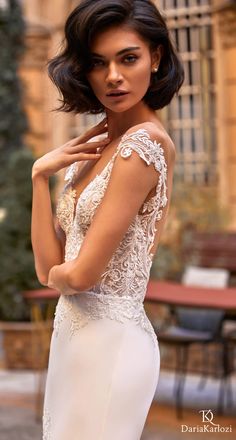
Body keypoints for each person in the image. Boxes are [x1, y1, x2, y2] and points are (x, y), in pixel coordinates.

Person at [31, 0, 184, 438]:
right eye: (98, 63)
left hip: (112, 347)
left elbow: (78, 276)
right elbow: (50, 269)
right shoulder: (99, 146)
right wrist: (40, 176)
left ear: (155, 58)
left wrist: (65, 275)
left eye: (128, 58)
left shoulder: (143, 146)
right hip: (74, 339)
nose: (113, 76)